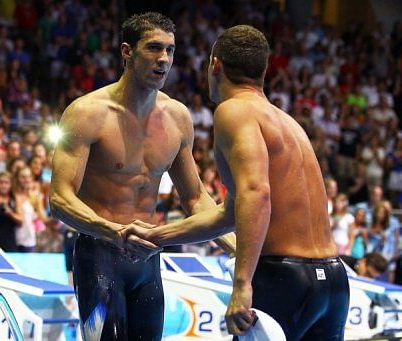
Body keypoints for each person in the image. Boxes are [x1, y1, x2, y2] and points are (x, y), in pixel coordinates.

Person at [124, 25, 350, 339]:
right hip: (333, 281)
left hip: (285, 280)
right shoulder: (287, 122)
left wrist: (242, 283)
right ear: (264, 69)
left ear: (215, 65)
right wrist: (158, 235)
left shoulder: (234, 112)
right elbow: (232, 213)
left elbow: (256, 194)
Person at [49, 12, 235, 340]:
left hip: (148, 259)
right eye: (153, 48)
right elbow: (60, 198)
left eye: (170, 50)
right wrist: (115, 231)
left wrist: (236, 246)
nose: (164, 58)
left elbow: (194, 198)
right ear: (127, 52)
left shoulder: (178, 118)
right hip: (99, 255)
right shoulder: (87, 113)